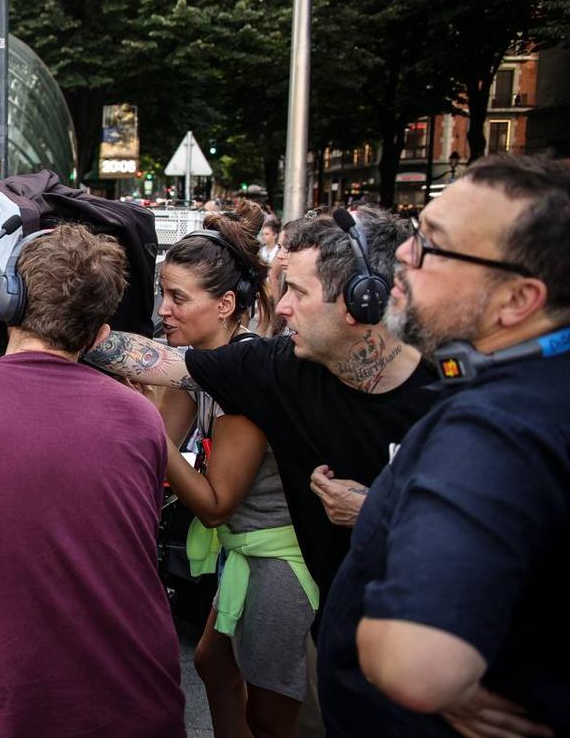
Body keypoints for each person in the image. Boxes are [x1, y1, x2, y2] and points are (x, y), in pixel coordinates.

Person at [0, 224, 187, 738]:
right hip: (142, 706)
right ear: (99, 334)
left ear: (6, 301)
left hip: (9, 712)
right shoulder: (141, 418)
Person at [320, 155, 570, 736]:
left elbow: (418, 666)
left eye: (433, 245)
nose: (404, 256)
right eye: (415, 232)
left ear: (517, 300)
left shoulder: (494, 428)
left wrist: (390, 654)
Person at [84, 205, 436, 610]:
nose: (282, 307)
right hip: (336, 622)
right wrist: (63, 323)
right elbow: (160, 360)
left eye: (299, 292)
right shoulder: (280, 368)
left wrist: (379, 510)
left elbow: (508, 527)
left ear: (362, 301)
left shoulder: (453, 392)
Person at [153, 202, 318, 737]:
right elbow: (159, 448)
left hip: (279, 560)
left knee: (270, 712)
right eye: (163, 294)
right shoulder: (197, 367)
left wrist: (145, 429)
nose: (163, 311)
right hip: (242, 550)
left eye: (178, 298)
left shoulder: (244, 383)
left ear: (225, 304)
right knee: (214, 665)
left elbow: (213, 500)